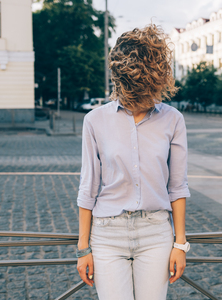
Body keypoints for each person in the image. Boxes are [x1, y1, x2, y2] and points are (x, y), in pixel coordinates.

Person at [76, 24, 191, 300]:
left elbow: (177, 186)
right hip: (107, 235)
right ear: (122, 79)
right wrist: (83, 249)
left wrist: (180, 243)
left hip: (156, 234)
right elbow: (88, 187)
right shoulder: (94, 121)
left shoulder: (173, 120)